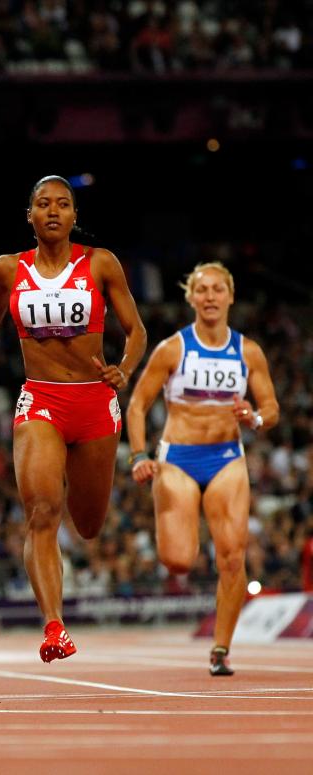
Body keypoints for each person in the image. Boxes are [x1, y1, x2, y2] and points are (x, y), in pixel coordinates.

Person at [0, 176, 147, 662]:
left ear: (75, 216)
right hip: (41, 401)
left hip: (95, 402)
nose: (53, 211)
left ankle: (77, 491)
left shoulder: (100, 264)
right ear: (29, 216)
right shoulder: (9, 269)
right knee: (40, 512)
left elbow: (135, 329)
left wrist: (125, 368)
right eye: (43, 204)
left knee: (90, 524)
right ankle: (54, 627)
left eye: (63, 204)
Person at [125, 262, 278, 676]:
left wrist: (255, 418)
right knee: (177, 560)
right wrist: (139, 456)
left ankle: (221, 649)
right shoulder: (173, 348)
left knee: (232, 558)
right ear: (190, 297)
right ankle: (177, 534)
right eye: (202, 290)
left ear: (230, 296)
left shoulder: (248, 352)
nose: (210, 297)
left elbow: (271, 408)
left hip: (227, 457)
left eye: (217, 289)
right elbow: (137, 404)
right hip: (177, 459)